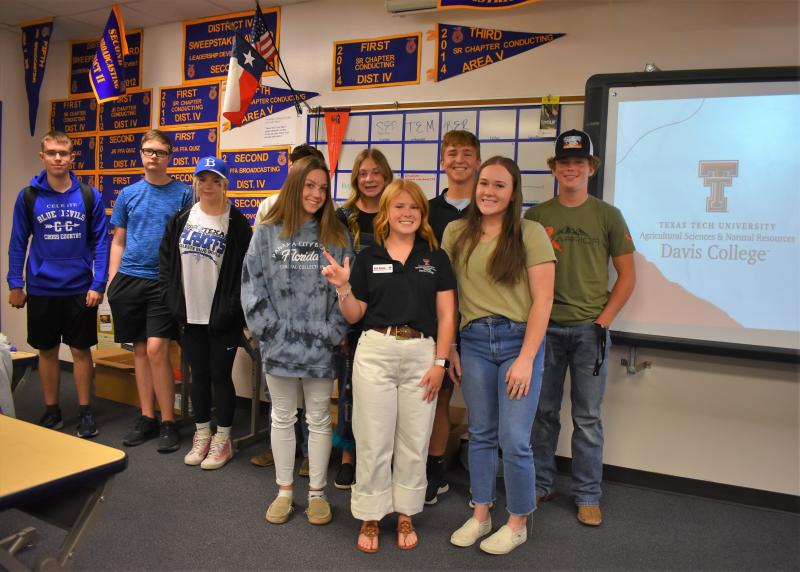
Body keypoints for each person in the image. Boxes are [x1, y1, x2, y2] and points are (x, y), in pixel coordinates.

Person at [321, 179, 456, 553]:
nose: (407, 213)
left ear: (422, 214)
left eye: (414, 207)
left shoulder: (436, 258)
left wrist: (441, 363)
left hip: (422, 355)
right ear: (386, 212)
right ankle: (370, 514)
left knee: (414, 440)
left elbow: (447, 315)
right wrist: (343, 287)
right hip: (376, 352)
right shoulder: (368, 258)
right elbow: (354, 315)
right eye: (399, 206)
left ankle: (406, 511)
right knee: (373, 439)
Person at [445, 156, 555, 555]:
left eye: (499, 185)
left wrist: (526, 358)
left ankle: (517, 522)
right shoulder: (456, 232)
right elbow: (447, 297)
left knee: (514, 439)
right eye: (484, 183)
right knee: (481, 434)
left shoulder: (530, 232)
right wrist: (450, 347)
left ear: (513, 193)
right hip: (473, 341)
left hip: (518, 342)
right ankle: (481, 514)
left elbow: (543, 300)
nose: (489, 192)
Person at [526, 129, 636, 527]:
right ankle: (541, 483)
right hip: (546, 330)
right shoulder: (536, 217)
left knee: (587, 418)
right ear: (554, 168)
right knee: (543, 413)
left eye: (579, 162)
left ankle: (588, 494)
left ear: (591, 168)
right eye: (564, 162)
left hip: (591, 332)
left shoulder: (609, 216)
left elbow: (627, 277)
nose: (571, 168)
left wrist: (602, 322)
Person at [242, 155, 351, 526]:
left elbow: (347, 286)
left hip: (320, 346)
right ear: (294, 186)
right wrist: (269, 331)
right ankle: (285, 491)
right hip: (279, 345)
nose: (317, 194)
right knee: (282, 417)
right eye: (309, 185)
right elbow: (251, 285)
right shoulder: (267, 231)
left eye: (323, 188)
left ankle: (317, 493)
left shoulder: (337, 234)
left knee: (318, 419)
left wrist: (331, 332)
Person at [6, 130, 109, 437]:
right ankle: (52, 410)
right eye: (52, 153)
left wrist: (98, 283)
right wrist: (15, 283)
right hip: (41, 287)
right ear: (43, 157)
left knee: (81, 351)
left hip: (80, 288)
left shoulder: (89, 195)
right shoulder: (28, 197)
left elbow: (101, 243)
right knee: (47, 351)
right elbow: (17, 242)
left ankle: (86, 412)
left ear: (72, 158)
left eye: (63, 153)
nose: (58, 158)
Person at [159, 157, 251, 469]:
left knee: (220, 377)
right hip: (189, 315)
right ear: (195, 182)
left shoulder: (236, 223)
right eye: (203, 180)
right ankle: (202, 434)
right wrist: (172, 300)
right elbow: (166, 262)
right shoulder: (183, 217)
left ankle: (223, 439)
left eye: (215, 181)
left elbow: (246, 273)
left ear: (225, 185)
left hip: (222, 317)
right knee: (197, 376)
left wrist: (234, 309)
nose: (208, 186)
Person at [107, 129, 193, 452]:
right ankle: (147, 417)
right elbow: (118, 240)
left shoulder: (183, 194)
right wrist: (113, 280)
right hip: (129, 279)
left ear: (170, 156)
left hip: (163, 281)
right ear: (141, 154)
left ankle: (168, 420)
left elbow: (187, 242)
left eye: (160, 151)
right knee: (140, 351)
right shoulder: (128, 194)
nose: (154, 156)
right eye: (149, 150)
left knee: (158, 348)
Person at [250, 143, 327, 472]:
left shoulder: (328, 219)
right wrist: (263, 324)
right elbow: (256, 269)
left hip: (313, 329)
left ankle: (309, 453)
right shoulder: (270, 210)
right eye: (304, 177)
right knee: (280, 401)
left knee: (313, 403)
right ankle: (281, 449)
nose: (314, 191)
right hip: (278, 327)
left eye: (319, 185)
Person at [424, 129, 481, 505]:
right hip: (437, 316)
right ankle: (435, 472)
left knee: (482, 403)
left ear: (478, 161)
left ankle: (482, 481)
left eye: (467, 154)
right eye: (452, 153)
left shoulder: (489, 204)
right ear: (442, 161)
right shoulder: (428, 210)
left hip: (480, 316)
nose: (459, 160)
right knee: (439, 396)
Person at [332, 147, 394, 490]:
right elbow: (334, 267)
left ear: (386, 176)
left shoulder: (396, 211)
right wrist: (342, 323)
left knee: (385, 395)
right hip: (351, 311)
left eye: (376, 172)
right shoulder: (343, 217)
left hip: (387, 311)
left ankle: (382, 460)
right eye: (363, 173)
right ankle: (348, 457)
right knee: (350, 391)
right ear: (356, 179)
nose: (369, 179)